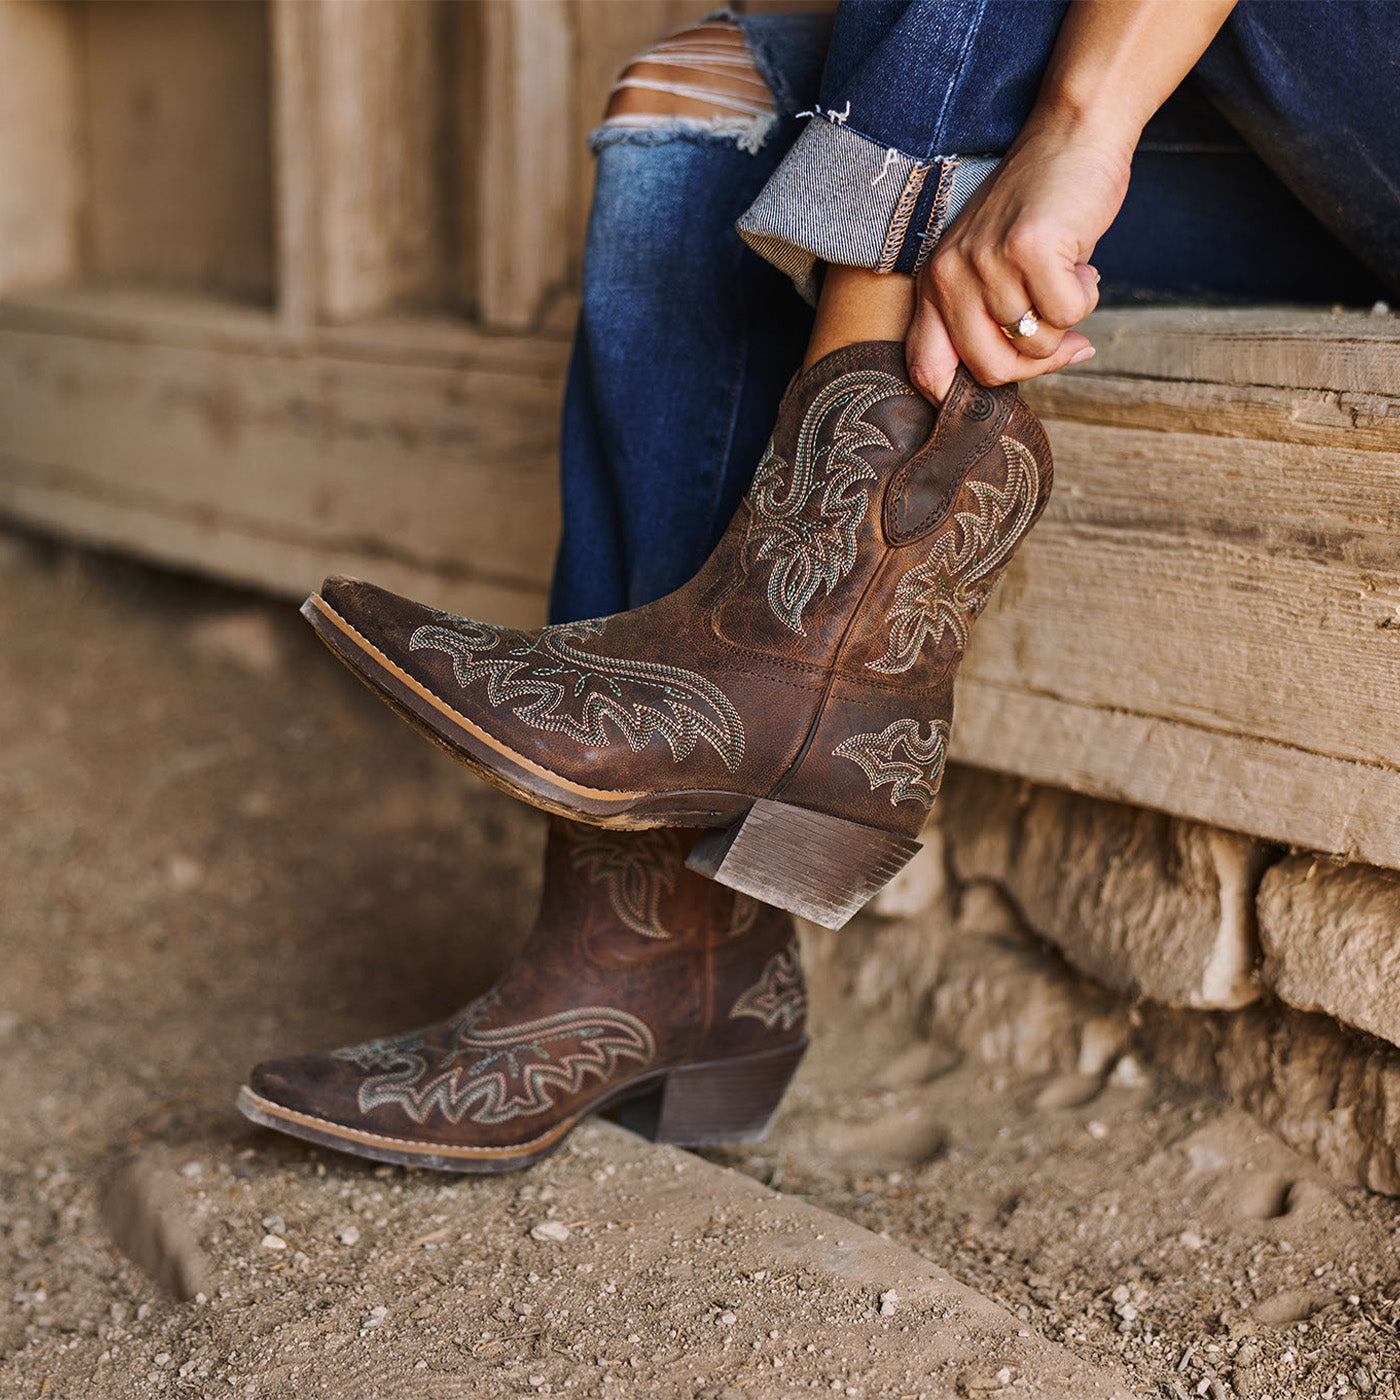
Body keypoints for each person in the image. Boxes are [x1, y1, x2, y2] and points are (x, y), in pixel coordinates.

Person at [237, 1, 1399, 1173]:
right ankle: (651, 961)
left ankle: (781, 669)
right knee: (697, 111)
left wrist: (1076, 124)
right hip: (1263, 145)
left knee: (912, 134)